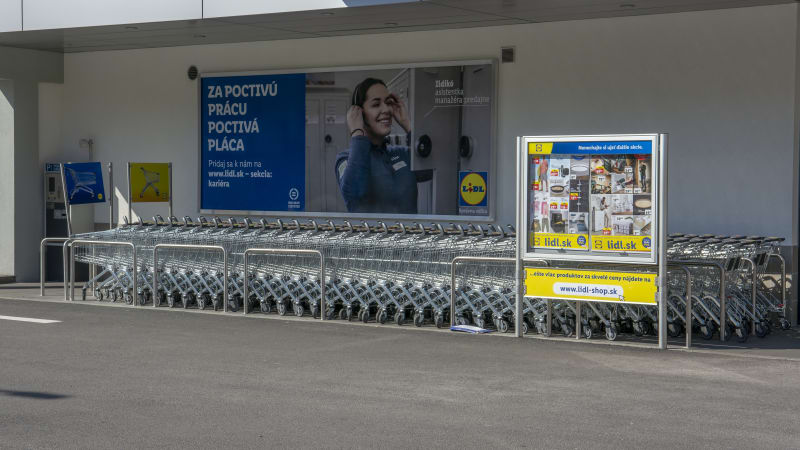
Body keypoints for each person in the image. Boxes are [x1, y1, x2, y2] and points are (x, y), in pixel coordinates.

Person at [335, 77, 417, 214]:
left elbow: (437, 168)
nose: (386, 109)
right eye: (376, 104)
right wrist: (357, 132)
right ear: (360, 113)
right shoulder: (345, 159)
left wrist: (408, 124)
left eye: (388, 103)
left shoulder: (402, 154)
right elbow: (355, 194)